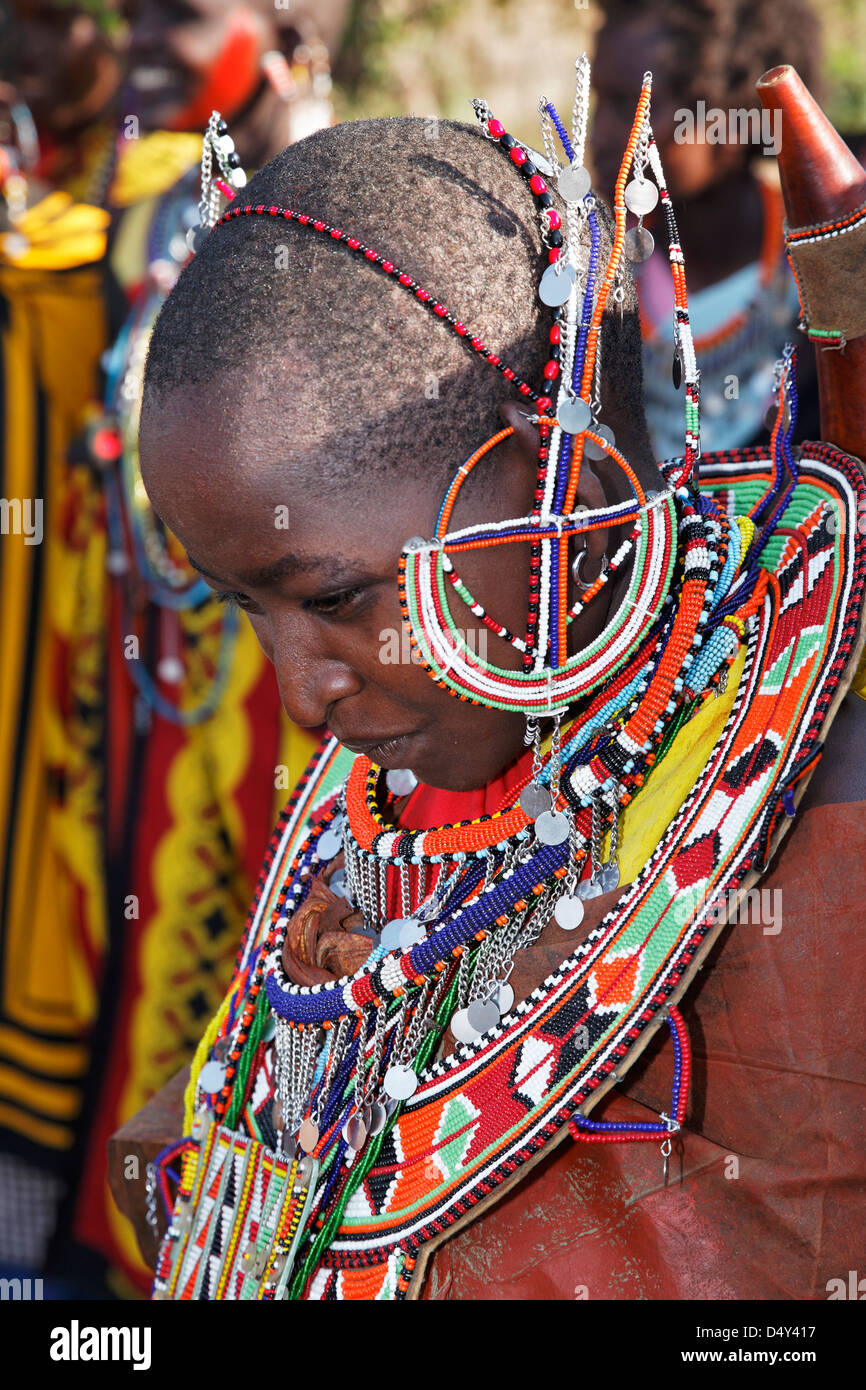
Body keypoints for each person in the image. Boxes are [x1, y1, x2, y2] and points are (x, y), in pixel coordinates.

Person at [136, 58, 866, 1300]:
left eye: (329, 600)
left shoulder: (819, 812)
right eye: (241, 608)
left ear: (560, 501)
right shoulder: (379, 780)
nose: (299, 691)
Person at [592, 0, 822, 460]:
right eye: (601, 102)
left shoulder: (820, 272)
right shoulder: (598, 273)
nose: (599, 134)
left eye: (629, 107)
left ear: (725, 116)